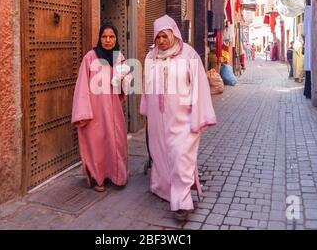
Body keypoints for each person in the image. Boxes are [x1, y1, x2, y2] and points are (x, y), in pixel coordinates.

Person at [140, 15, 217, 221]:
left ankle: (182, 203)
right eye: (158, 38)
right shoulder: (151, 57)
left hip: (183, 119)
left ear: (174, 34)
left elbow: (199, 86)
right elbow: (147, 86)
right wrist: (147, 109)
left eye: (165, 36)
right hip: (158, 119)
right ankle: (164, 189)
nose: (161, 41)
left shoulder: (189, 55)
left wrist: (200, 115)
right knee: (160, 154)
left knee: (181, 157)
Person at [71, 23, 130, 193]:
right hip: (95, 111)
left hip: (114, 111)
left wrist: (124, 80)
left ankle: (117, 175)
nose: (108, 40)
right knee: (97, 144)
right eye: (104, 37)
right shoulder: (90, 57)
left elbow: (125, 87)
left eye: (111, 37)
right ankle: (98, 178)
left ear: (116, 38)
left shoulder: (119, 58)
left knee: (115, 142)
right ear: (99, 38)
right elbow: (82, 84)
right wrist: (83, 111)